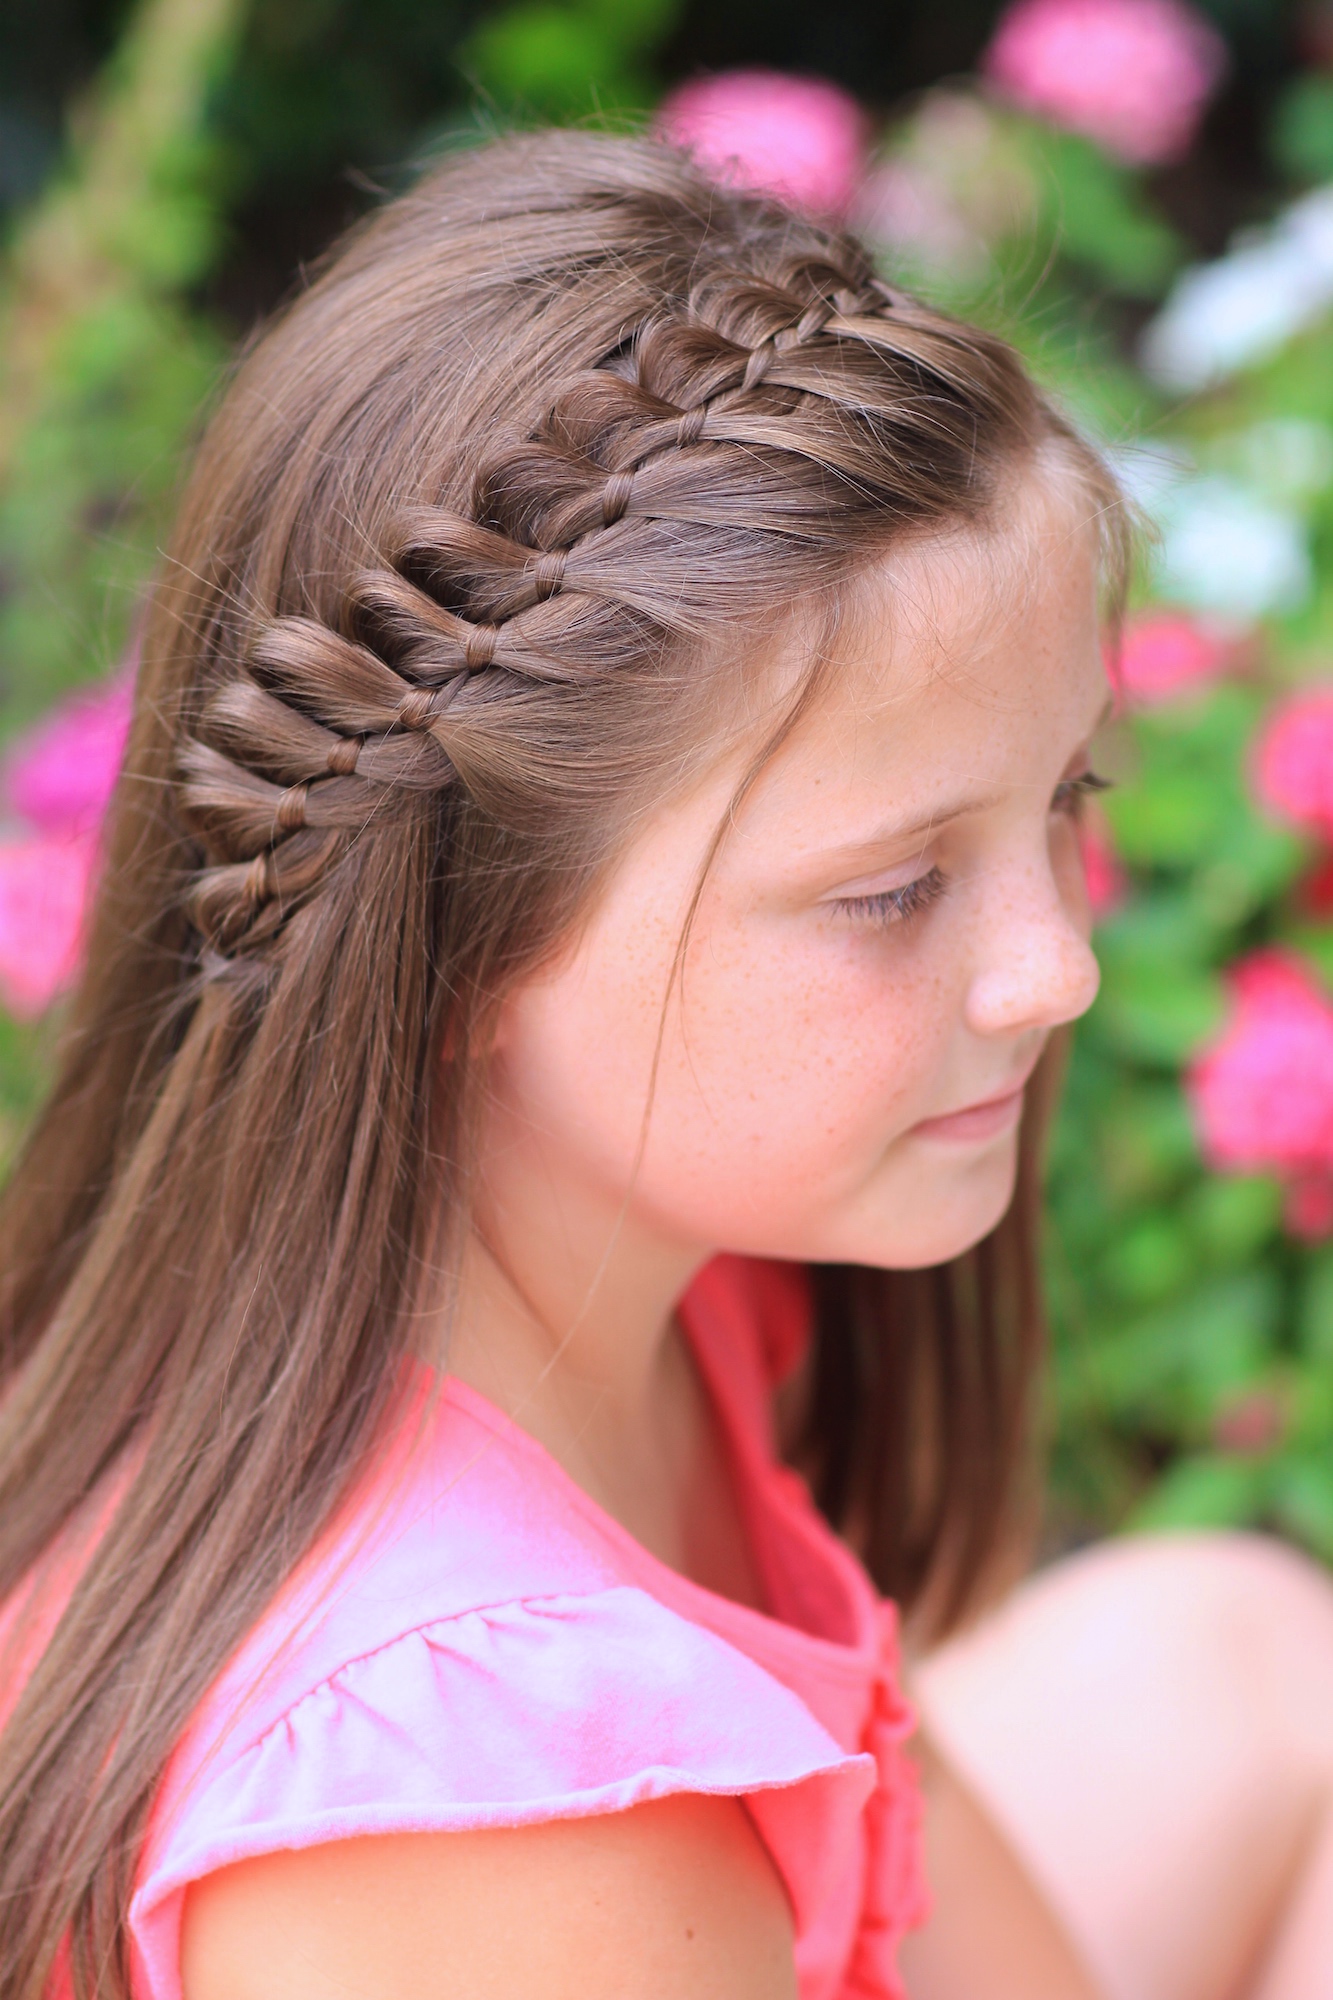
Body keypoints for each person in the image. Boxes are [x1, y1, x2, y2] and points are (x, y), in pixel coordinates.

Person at [0, 129, 1330, 2000]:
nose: (1057, 971)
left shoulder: (611, 1270)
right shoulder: (485, 1827)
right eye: (890, 892)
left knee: (1253, 1651)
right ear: (455, 941)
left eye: (1065, 799)